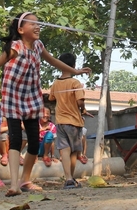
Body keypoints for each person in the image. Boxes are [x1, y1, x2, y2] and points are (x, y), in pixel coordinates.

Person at [0, 12, 91, 197]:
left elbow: (54, 61)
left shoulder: (38, 46)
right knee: (16, 139)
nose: (37, 26)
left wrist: (76, 71)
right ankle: (15, 184)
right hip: (12, 97)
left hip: (32, 97)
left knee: (34, 142)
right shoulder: (14, 47)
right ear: (20, 29)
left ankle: (25, 181)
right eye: (32, 24)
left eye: (38, 24)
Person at [48, 53, 94, 189]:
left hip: (60, 121)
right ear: (74, 66)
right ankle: (71, 179)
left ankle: (68, 178)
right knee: (74, 151)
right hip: (73, 121)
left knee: (64, 150)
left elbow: (51, 98)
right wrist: (83, 109)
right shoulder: (75, 82)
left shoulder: (56, 83)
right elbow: (80, 101)